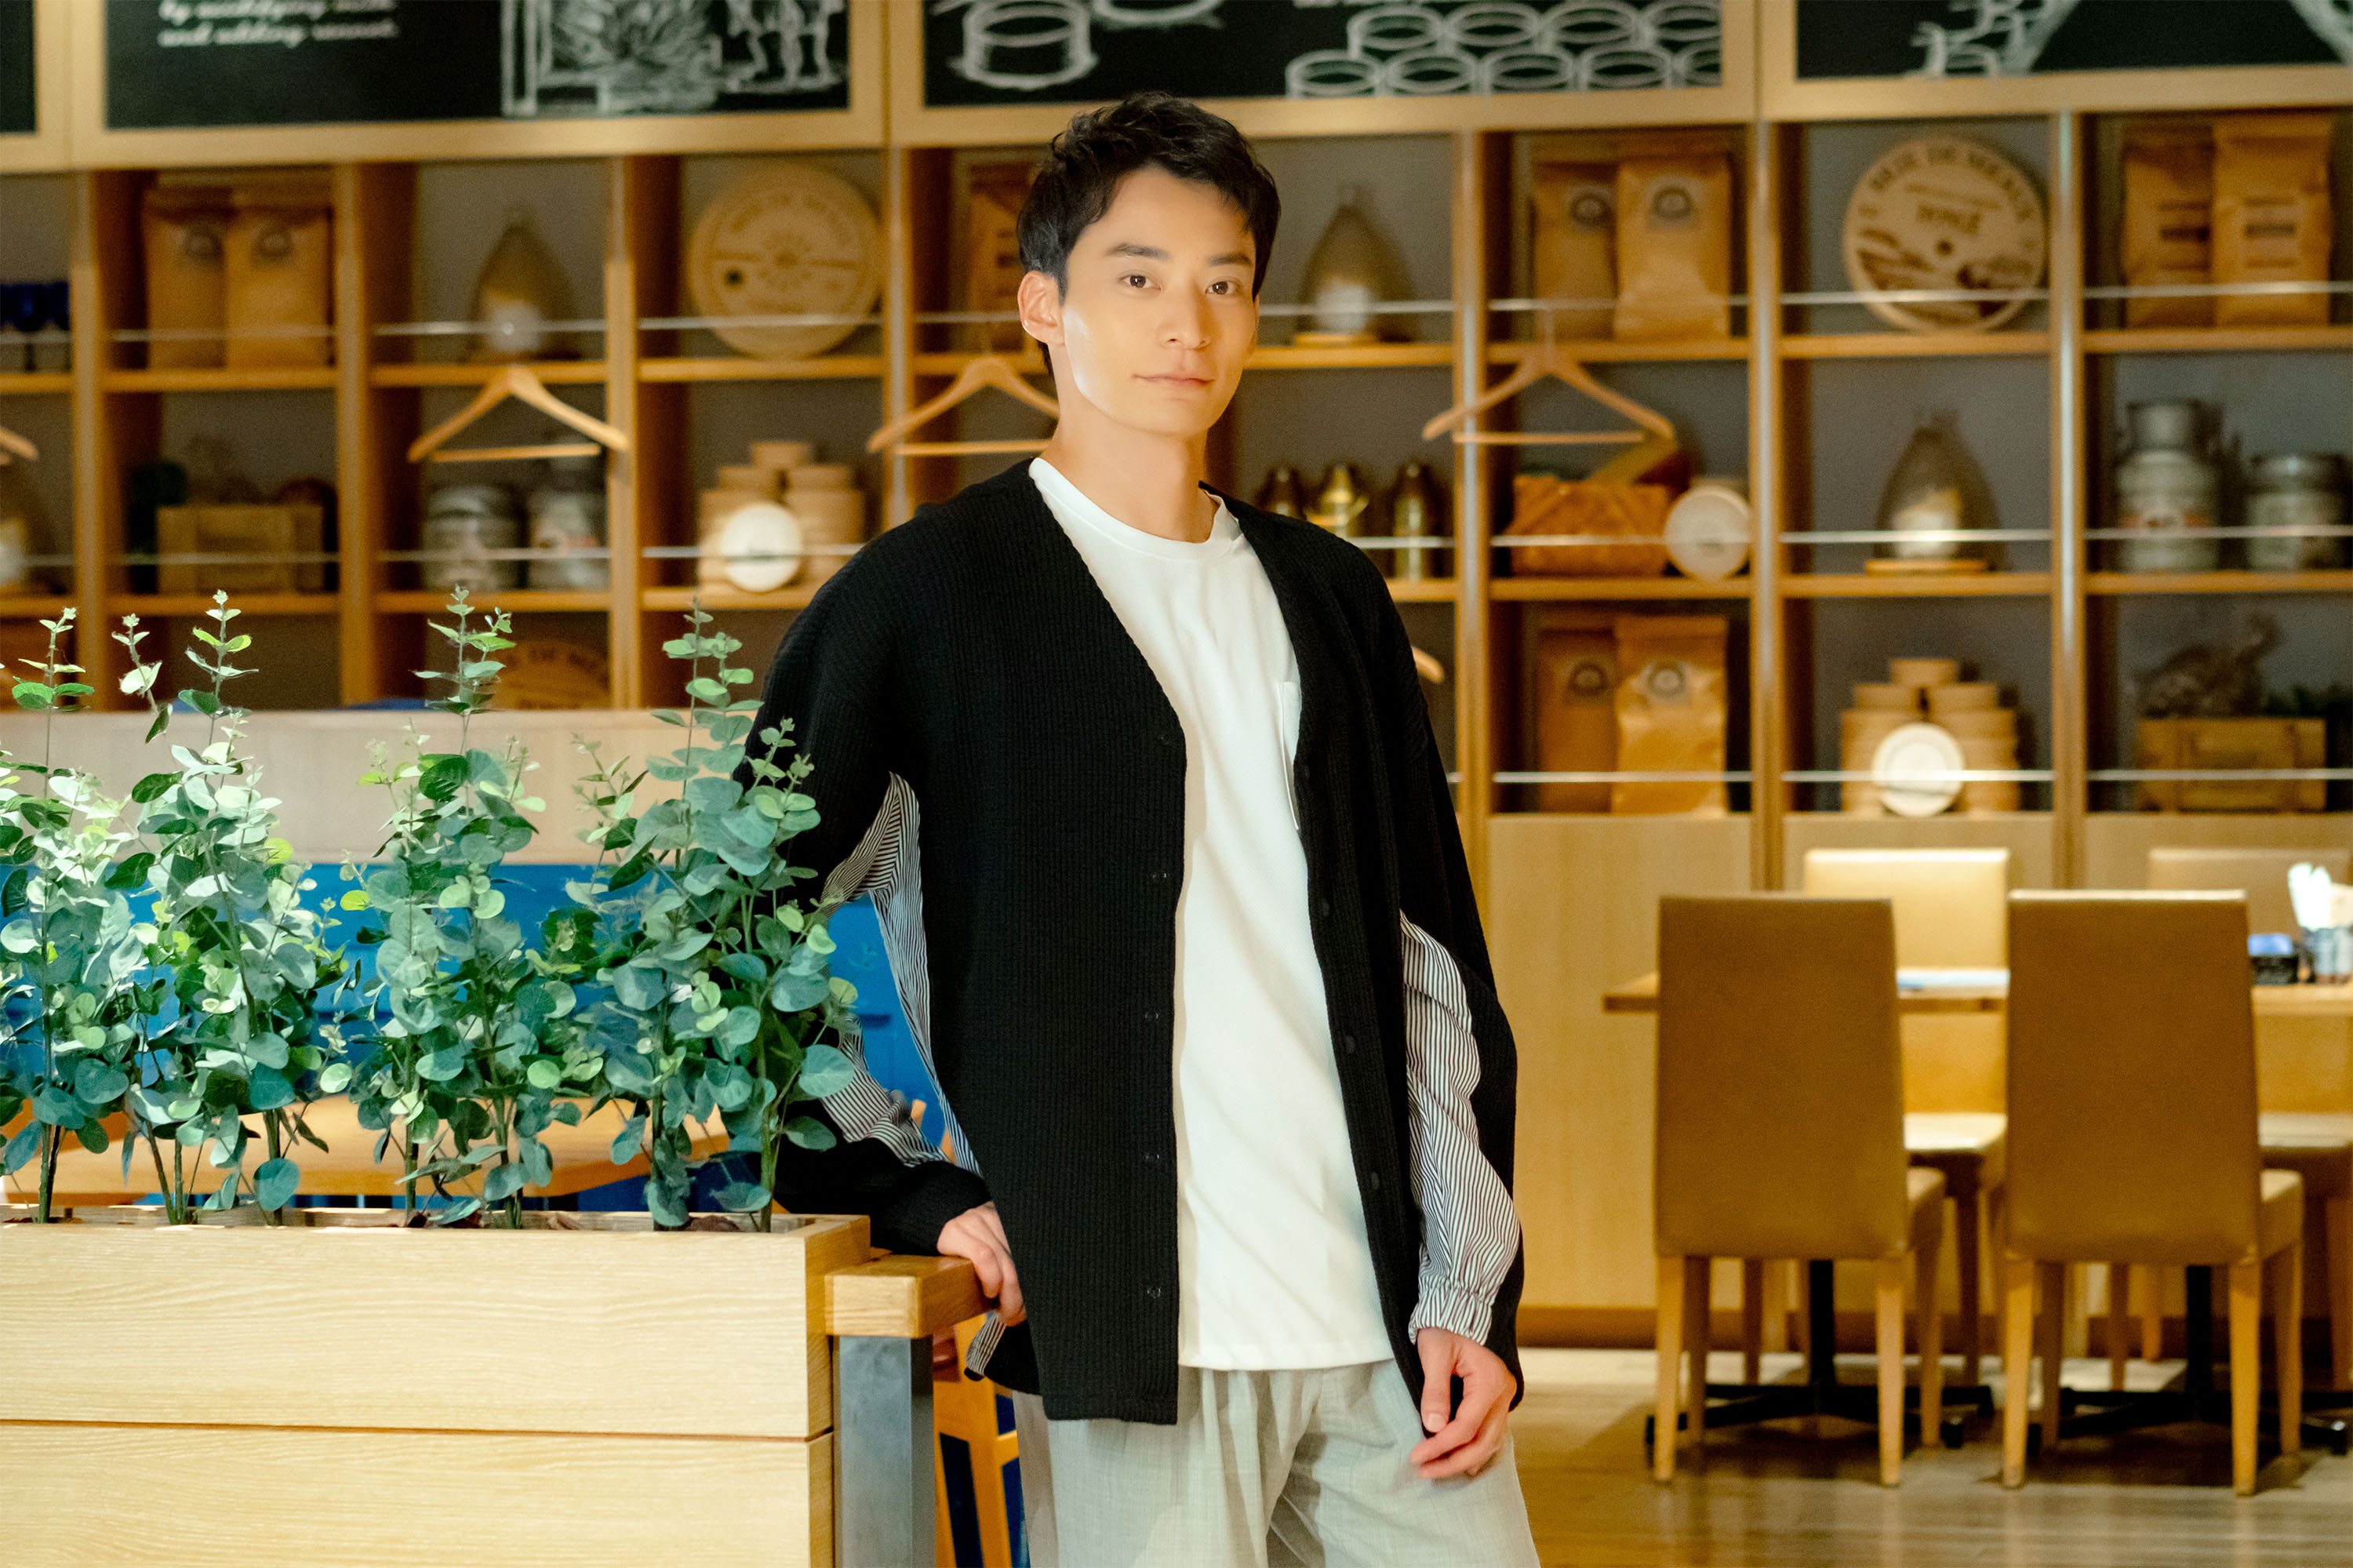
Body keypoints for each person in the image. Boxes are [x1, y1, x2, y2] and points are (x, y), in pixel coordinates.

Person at [742, 91, 1535, 1566]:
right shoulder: (928, 600)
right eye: (1139, 275)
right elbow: (731, 930)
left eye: (1226, 282)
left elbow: (1430, 970)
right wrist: (902, 1183)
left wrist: (1466, 1293)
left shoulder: (1331, 597)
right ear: (1041, 304)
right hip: (1127, 1346)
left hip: (1382, 1338)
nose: (1189, 321)